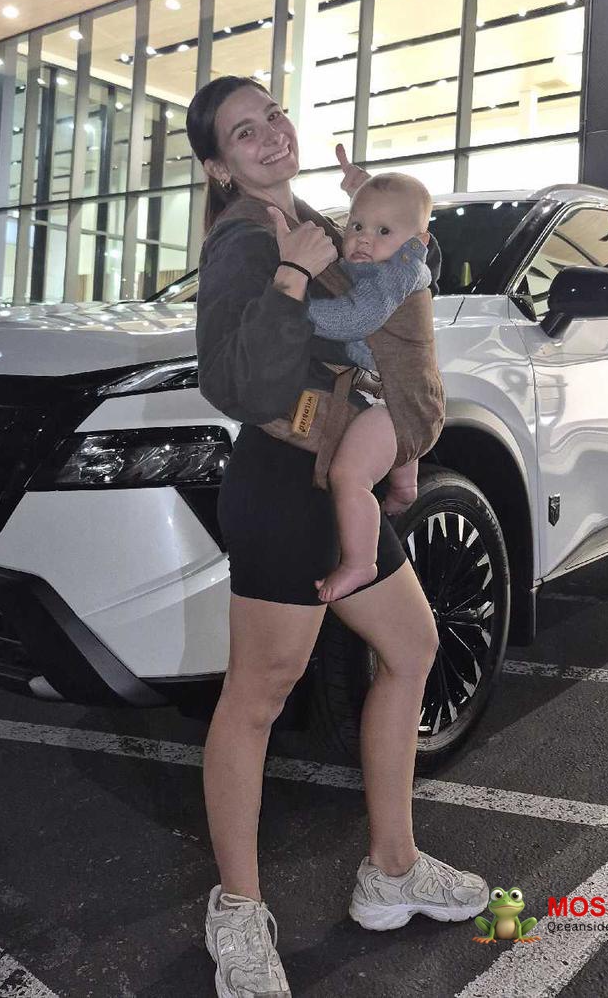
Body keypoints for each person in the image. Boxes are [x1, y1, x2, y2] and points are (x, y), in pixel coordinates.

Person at [187, 75, 488, 998]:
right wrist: (288, 276)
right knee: (257, 698)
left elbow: (382, 291)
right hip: (283, 486)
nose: (270, 134)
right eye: (245, 132)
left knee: (414, 644)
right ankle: (238, 912)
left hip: (334, 475)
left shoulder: (316, 220)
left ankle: (391, 870)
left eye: (273, 115)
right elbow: (232, 383)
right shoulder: (245, 240)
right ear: (220, 166)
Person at [302, 172, 439, 603]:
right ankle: (405, 488)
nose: (363, 239)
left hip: (396, 405)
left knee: (348, 474)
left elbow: (356, 318)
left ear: (418, 242)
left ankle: (361, 563)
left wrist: (293, 310)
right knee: (390, 450)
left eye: (383, 232)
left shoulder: (399, 271)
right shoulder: (380, 263)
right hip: (401, 398)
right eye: (357, 226)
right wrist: (359, 191)